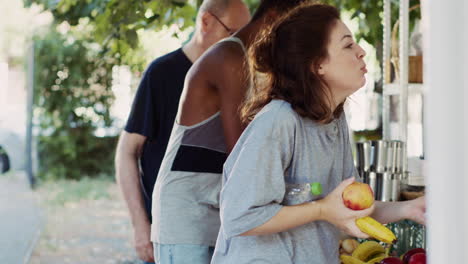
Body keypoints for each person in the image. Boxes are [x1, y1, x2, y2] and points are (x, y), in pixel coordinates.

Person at [210, 3, 426, 263]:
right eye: (348, 45)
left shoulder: (334, 121)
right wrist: (321, 209)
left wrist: (408, 208)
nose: (361, 52)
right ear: (317, 65)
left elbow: (344, 209)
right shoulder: (278, 121)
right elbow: (239, 217)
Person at [150, 1, 308, 263]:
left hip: (219, 214)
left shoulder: (251, 65)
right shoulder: (229, 57)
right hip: (188, 217)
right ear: (272, 18)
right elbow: (243, 151)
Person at [114, 1, 251, 263]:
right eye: (233, 34)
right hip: (177, 233)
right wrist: (140, 225)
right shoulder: (161, 73)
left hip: (227, 231)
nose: (240, 46)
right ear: (206, 22)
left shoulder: (241, 80)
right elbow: (126, 152)